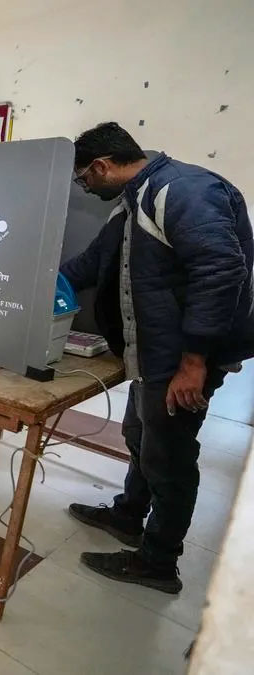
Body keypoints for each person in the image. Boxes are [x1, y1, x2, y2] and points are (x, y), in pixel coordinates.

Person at [62, 122, 254, 593]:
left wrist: (194, 364)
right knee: (139, 435)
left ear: (102, 166)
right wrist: (34, 282)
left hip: (184, 359)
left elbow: (220, 271)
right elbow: (88, 265)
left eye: (84, 178)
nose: (85, 187)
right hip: (153, 354)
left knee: (168, 458)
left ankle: (158, 561)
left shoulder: (181, 192)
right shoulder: (133, 205)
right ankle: (129, 517)